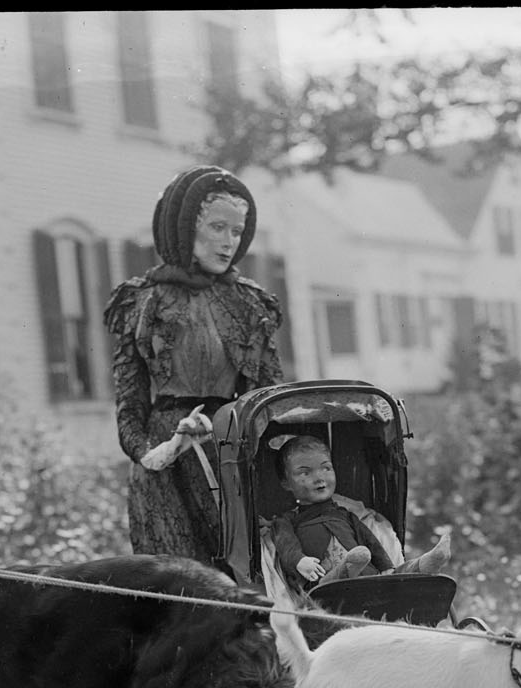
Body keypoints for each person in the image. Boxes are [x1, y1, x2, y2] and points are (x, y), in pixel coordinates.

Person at [102, 165, 285, 562]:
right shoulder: (143, 302)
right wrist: (151, 453)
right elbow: (129, 402)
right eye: (218, 228)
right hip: (165, 463)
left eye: (237, 231)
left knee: (243, 570)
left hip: (229, 449)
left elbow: (268, 397)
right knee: (179, 576)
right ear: (186, 230)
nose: (229, 242)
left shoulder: (250, 304)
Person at [269, 434, 451, 587]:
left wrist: (386, 566)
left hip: (367, 575)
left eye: (326, 468)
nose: (319, 478)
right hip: (322, 583)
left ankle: (424, 565)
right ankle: (350, 569)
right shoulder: (287, 521)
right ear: (286, 483)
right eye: (305, 473)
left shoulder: (345, 514)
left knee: (394, 573)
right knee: (334, 579)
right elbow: (286, 545)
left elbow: (370, 541)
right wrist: (300, 561)